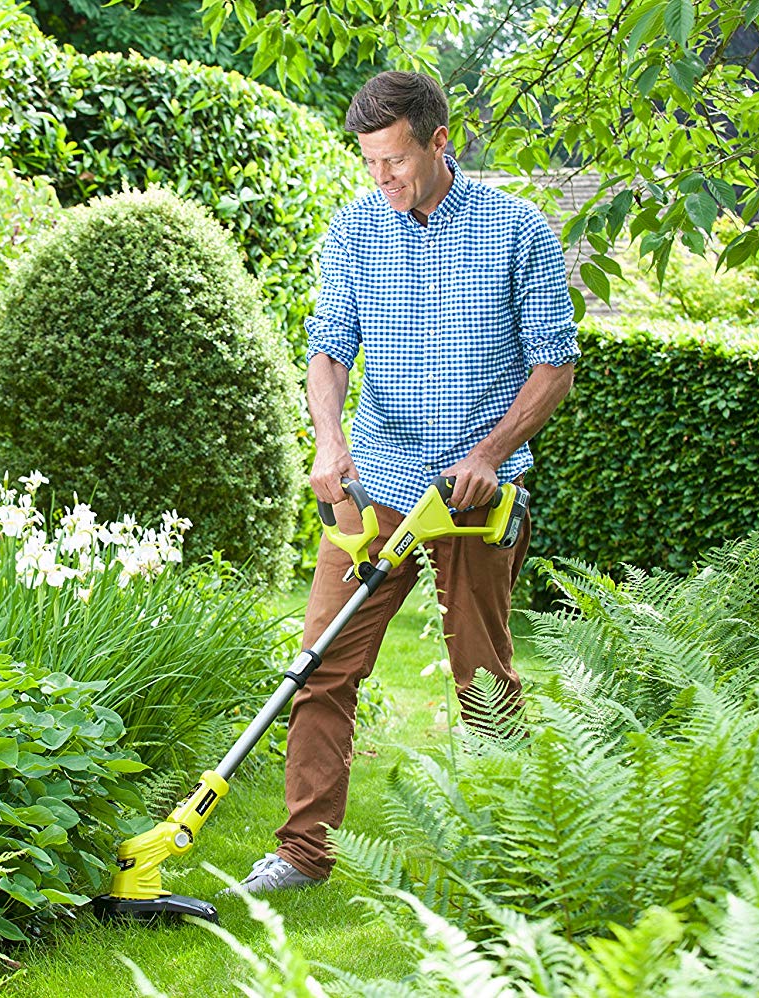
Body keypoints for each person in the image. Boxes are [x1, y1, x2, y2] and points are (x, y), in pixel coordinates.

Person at [237, 70, 580, 894]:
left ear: (437, 140)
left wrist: (491, 454)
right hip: (381, 484)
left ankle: (509, 855)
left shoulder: (516, 230)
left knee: (484, 677)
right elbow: (327, 349)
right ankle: (302, 853)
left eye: (393, 161)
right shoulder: (355, 228)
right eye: (368, 163)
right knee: (323, 665)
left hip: (473, 494)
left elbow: (555, 364)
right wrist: (329, 439)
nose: (380, 178)